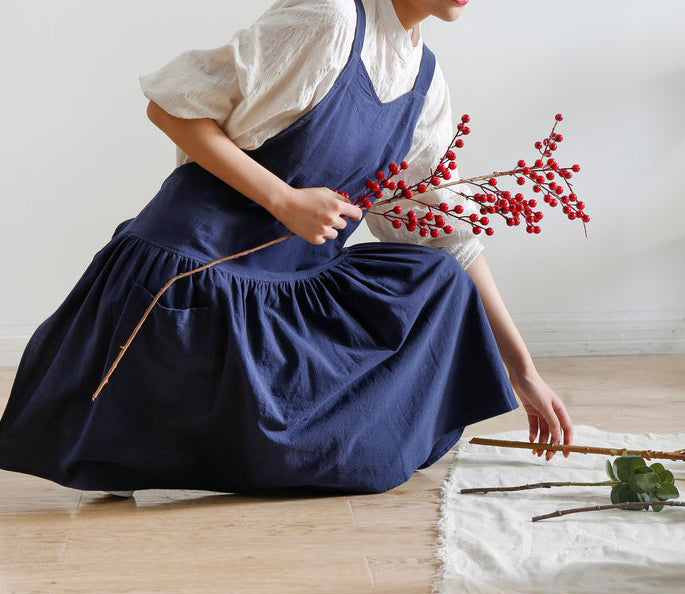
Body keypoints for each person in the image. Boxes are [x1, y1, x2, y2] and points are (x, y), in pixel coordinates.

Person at [0, 0, 573, 499]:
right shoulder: (328, 19)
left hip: (292, 286)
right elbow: (172, 105)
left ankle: (259, 439)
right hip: (199, 272)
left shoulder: (426, 82)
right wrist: (283, 199)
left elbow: (446, 237)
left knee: (438, 282)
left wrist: (524, 374)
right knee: (308, 454)